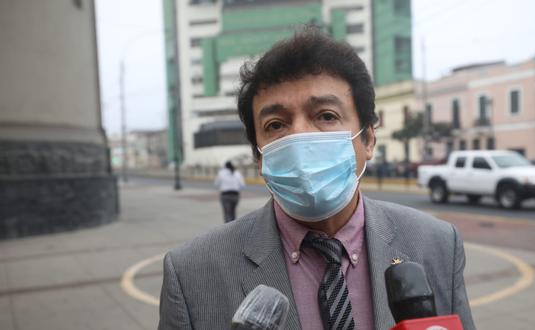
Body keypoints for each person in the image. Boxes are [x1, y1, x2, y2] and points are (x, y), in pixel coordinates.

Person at [158, 28, 475, 330]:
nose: (300, 136)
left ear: (368, 140)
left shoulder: (437, 244)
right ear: (258, 156)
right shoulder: (192, 274)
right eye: (276, 125)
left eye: (326, 116)